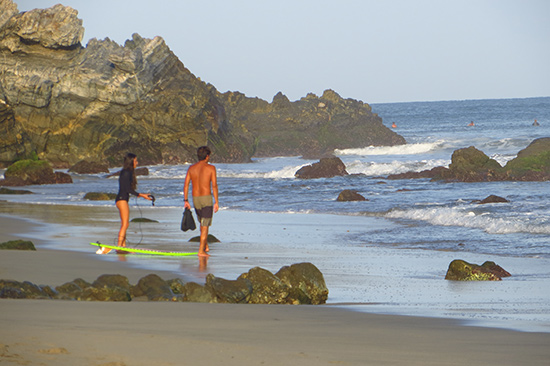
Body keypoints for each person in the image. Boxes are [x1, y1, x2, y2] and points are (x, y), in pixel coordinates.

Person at [96, 153, 152, 254]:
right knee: (125, 224)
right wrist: (141, 195)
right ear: (131, 161)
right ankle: (119, 247)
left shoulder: (126, 172)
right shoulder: (126, 172)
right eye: (135, 161)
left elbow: (127, 188)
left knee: (125, 224)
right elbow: (127, 189)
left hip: (121, 199)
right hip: (121, 200)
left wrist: (139, 195)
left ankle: (123, 246)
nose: (137, 163)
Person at [183, 146, 219, 257]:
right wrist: (216, 201)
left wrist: (186, 200)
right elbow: (214, 185)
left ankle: (205, 245)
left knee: (202, 223)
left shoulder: (191, 168)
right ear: (207, 156)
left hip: (195, 199)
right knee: (205, 225)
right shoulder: (211, 168)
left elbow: (186, 184)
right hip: (206, 198)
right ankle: (201, 251)